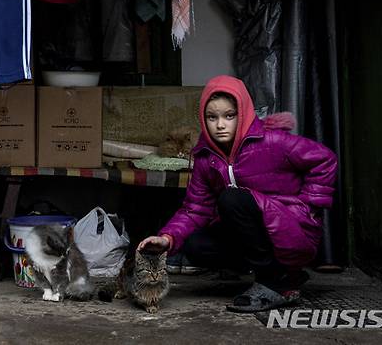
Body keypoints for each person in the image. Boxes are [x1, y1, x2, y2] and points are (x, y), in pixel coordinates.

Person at [138, 75, 338, 312]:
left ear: (242, 113)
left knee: (231, 198)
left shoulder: (272, 140)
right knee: (196, 245)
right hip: (256, 232)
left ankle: (273, 283)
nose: (220, 125)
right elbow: (195, 208)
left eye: (229, 116)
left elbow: (325, 159)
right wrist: (167, 238)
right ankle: (283, 275)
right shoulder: (205, 157)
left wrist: (308, 207)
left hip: (292, 229)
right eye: (212, 117)